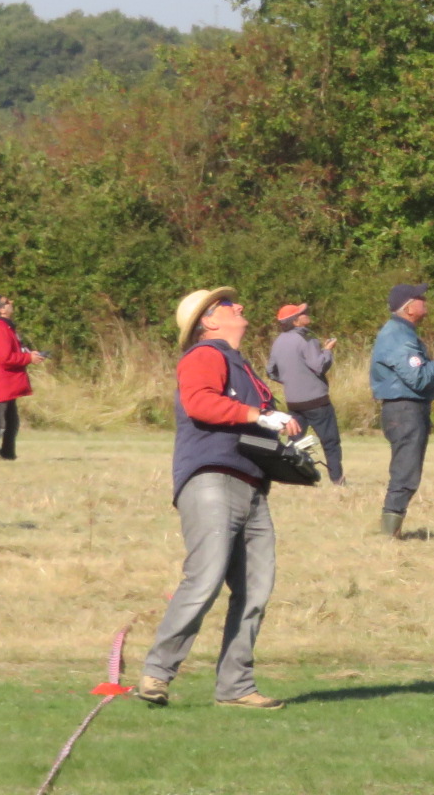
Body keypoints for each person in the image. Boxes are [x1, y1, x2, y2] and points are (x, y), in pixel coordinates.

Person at [134, 288, 290, 711]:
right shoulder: (205, 354)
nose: (239, 306)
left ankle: (236, 687)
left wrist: (280, 428)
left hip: (251, 484)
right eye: (227, 305)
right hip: (212, 479)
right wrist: (259, 415)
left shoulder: (241, 364)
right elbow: (200, 402)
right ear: (208, 321)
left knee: (255, 589)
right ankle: (157, 672)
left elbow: (249, 418)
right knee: (205, 578)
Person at [369, 282, 434, 539]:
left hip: (405, 409)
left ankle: (392, 529)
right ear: (409, 308)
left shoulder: (401, 332)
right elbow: (417, 378)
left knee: (406, 469)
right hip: (405, 410)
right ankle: (389, 534)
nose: (425, 302)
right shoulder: (398, 336)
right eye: (420, 298)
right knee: (406, 471)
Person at [266, 302, 343, 485]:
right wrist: (327, 351)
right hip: (316, 401)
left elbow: (271, 371)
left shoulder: (278, 342)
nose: (307, 314)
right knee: (330, 442)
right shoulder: (307, 340)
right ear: (296, 321)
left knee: (296, 444)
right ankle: (337, 479)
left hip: (293, 402)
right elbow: (319, 366)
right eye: (303, 313)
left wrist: (290, 380)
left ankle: (296, 478)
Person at [0, 295, 44, 461]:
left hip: (8, 381)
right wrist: (28, 359)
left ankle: (8, 454)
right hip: (1, 381)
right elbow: (4, 357)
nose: (12, 303)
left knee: (12, 422)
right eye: (8, 302)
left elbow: (14, 352)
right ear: (1, 309)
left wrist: (30, 354)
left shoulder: (6, 327)